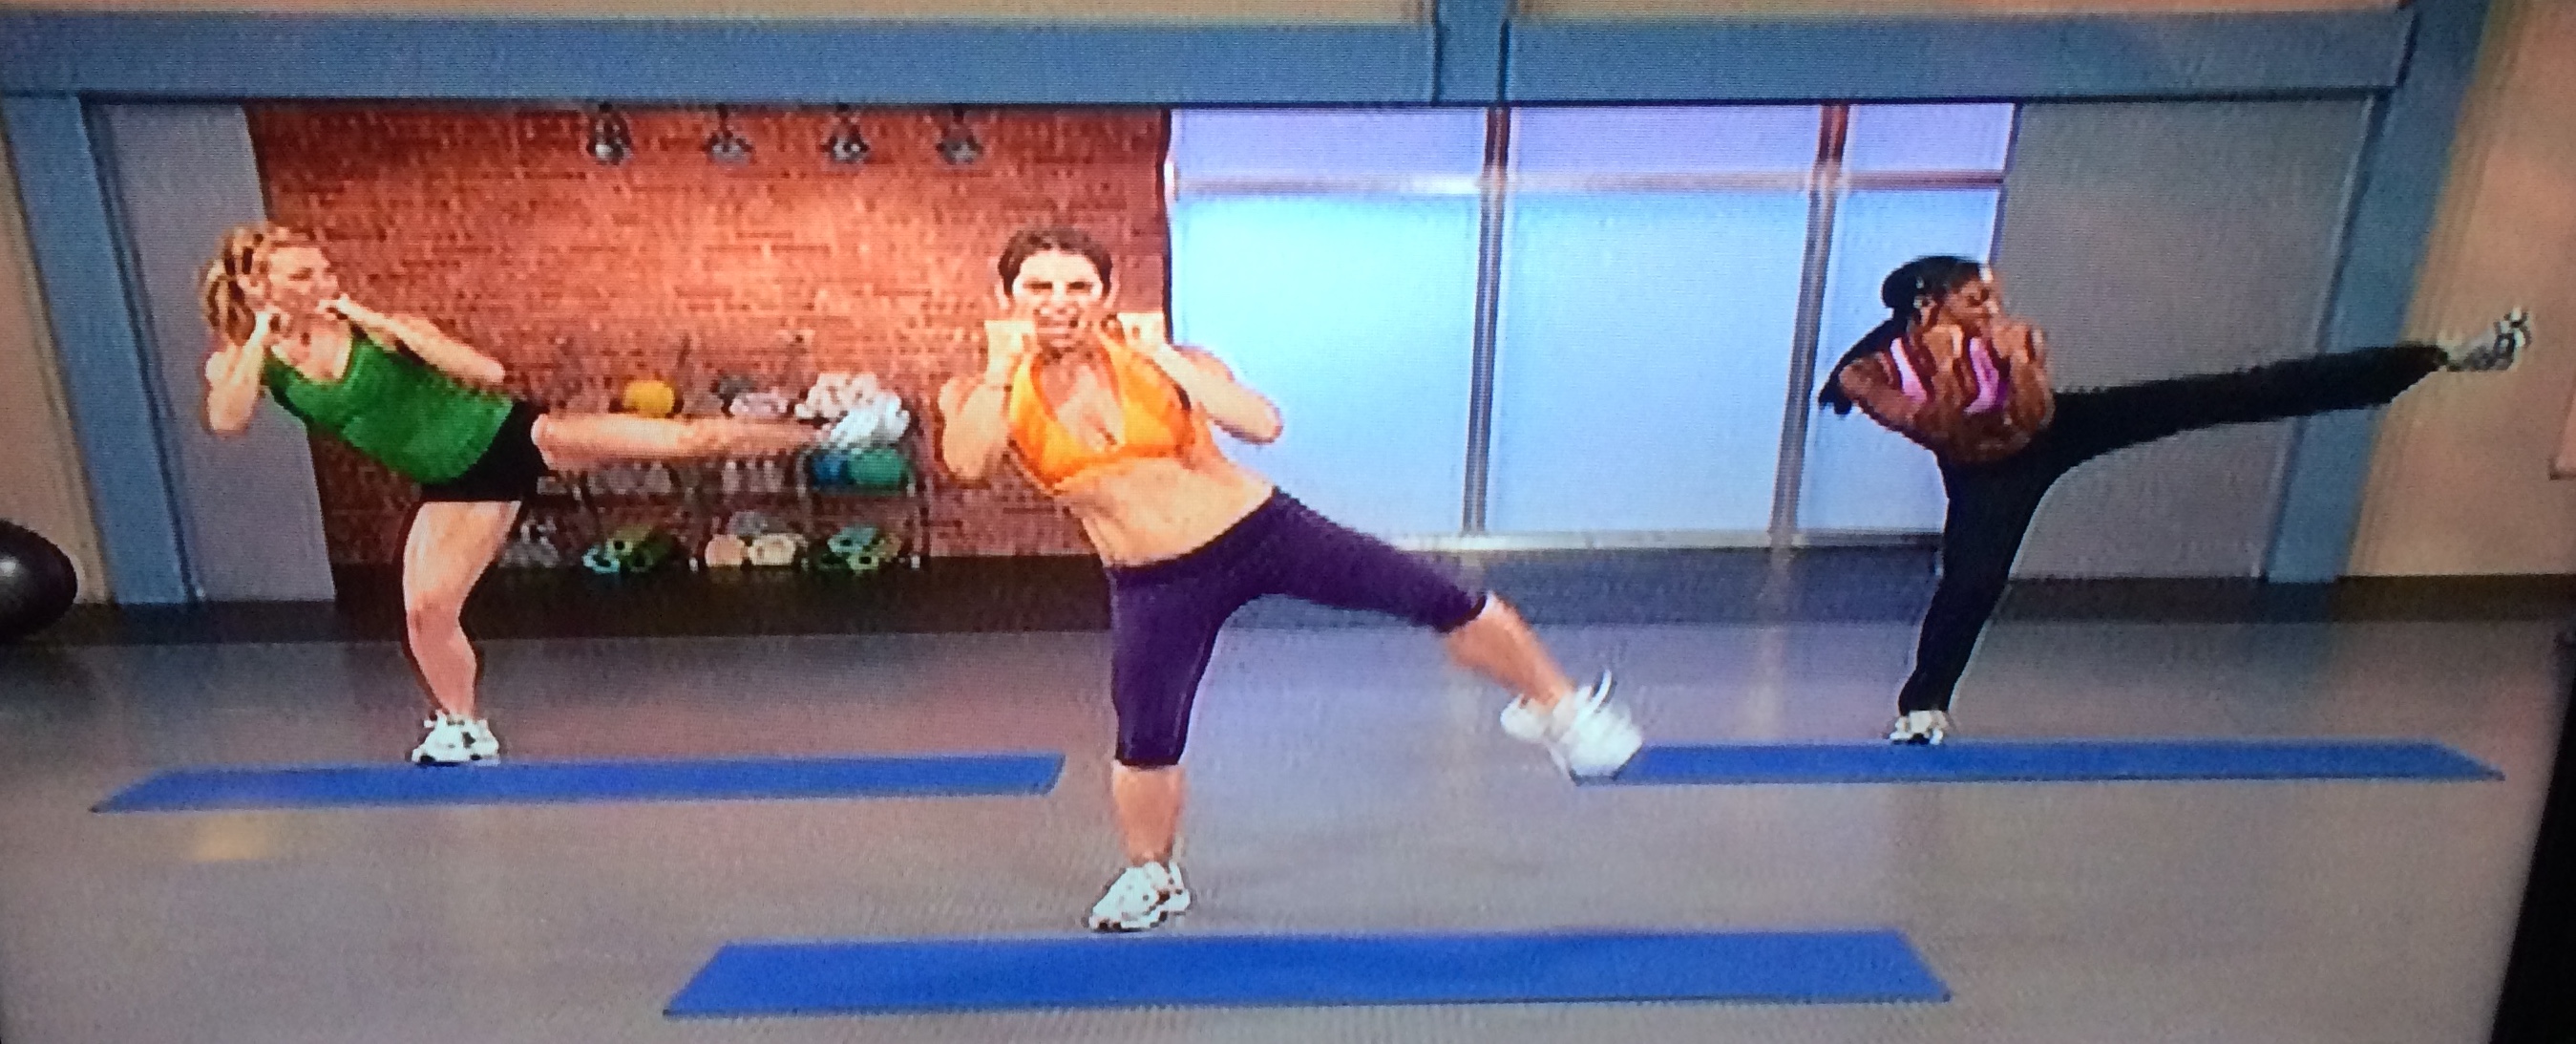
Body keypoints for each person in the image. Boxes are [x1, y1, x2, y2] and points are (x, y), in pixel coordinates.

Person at [937, 226, 1644, 932]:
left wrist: (1164, 360)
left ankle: (1558, 710)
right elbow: (968, 463)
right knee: (1146, 734)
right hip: (1154, 581)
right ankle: (1152, 874)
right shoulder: (982, 393)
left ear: (1106, 294)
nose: (1059, 301)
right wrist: (1002, 370)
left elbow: (1263, 424)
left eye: (1077, 286)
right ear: (1008, 296)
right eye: (1038, 286)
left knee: (1439, 596)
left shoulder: (1170, 363)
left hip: (1261, 533)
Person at [1819, 255, 2530, 745]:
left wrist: (2018, 362)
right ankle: (1923, 708)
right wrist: (1949, 370)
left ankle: (2434, 357)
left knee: (2230, 394)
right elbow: (1940, 431)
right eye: (1977, 300)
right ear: (1929, 304)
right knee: (1972, 582)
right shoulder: (1867, 373)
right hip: (1983, 475)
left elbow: (2033, 418)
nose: (1994, 311)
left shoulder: (2015, 338)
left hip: (2054, 432)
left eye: (1995, 296)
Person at [201, 223, 830, 765]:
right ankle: (462, 726)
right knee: (426, 612)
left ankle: (826, 434)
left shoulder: (381, 332)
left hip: (510, 438)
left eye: (325, 270)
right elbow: (226, 419)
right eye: (303, 276)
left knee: (691, 440)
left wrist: (380, 322)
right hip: (451, 484)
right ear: (260, 287)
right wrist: (259, 334)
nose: (324, 283)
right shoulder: (246, 362)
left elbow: (488, 372)